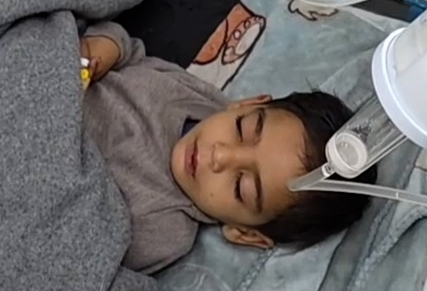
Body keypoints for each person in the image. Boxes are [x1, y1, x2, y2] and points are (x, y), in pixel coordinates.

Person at [80, 22, 374, 274]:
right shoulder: (195, 94)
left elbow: (76, 248)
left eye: (240, 187)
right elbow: (133, 56)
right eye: (242, 129)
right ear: (248, 104)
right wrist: (108, 45)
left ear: (246, 232)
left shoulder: (163, 232)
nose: (219, 155)